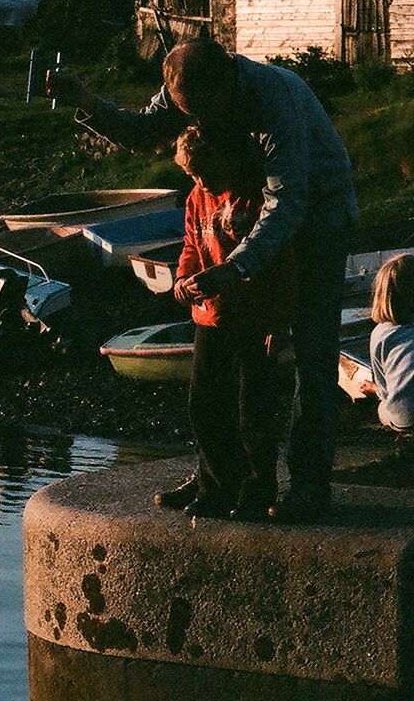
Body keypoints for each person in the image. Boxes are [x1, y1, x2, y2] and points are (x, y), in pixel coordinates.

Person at [50, 38, 357, 522]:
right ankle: (218, 475)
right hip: (240, 217)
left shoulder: (275, 98)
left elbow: (288, 199)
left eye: (204, 111)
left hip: (318, 217)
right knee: (215, 388)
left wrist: (234, 268)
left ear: (227, 81)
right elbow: (143, 132)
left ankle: (309, 485)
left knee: (313, 355)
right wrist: (86, 103)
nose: (198, 121)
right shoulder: (186, 89)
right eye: (186, 111)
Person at [154, 127, 293, 519]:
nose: (201, 182)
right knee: (205, 405)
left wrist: (278, 321)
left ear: (227, 157)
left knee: (254, 410)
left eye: (206, 172)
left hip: (254, 318)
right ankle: (215, 484)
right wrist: (182, 280)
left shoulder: (255, 198)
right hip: (210, 318)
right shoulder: (198, 198)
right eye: (192, 175)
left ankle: (256, 487)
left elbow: (279, 262)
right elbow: (191, 246)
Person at [367, 254, 414, 432]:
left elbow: (384, 389)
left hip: (406, 418)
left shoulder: (380, 334)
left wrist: (373, 388)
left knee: (383, 407)